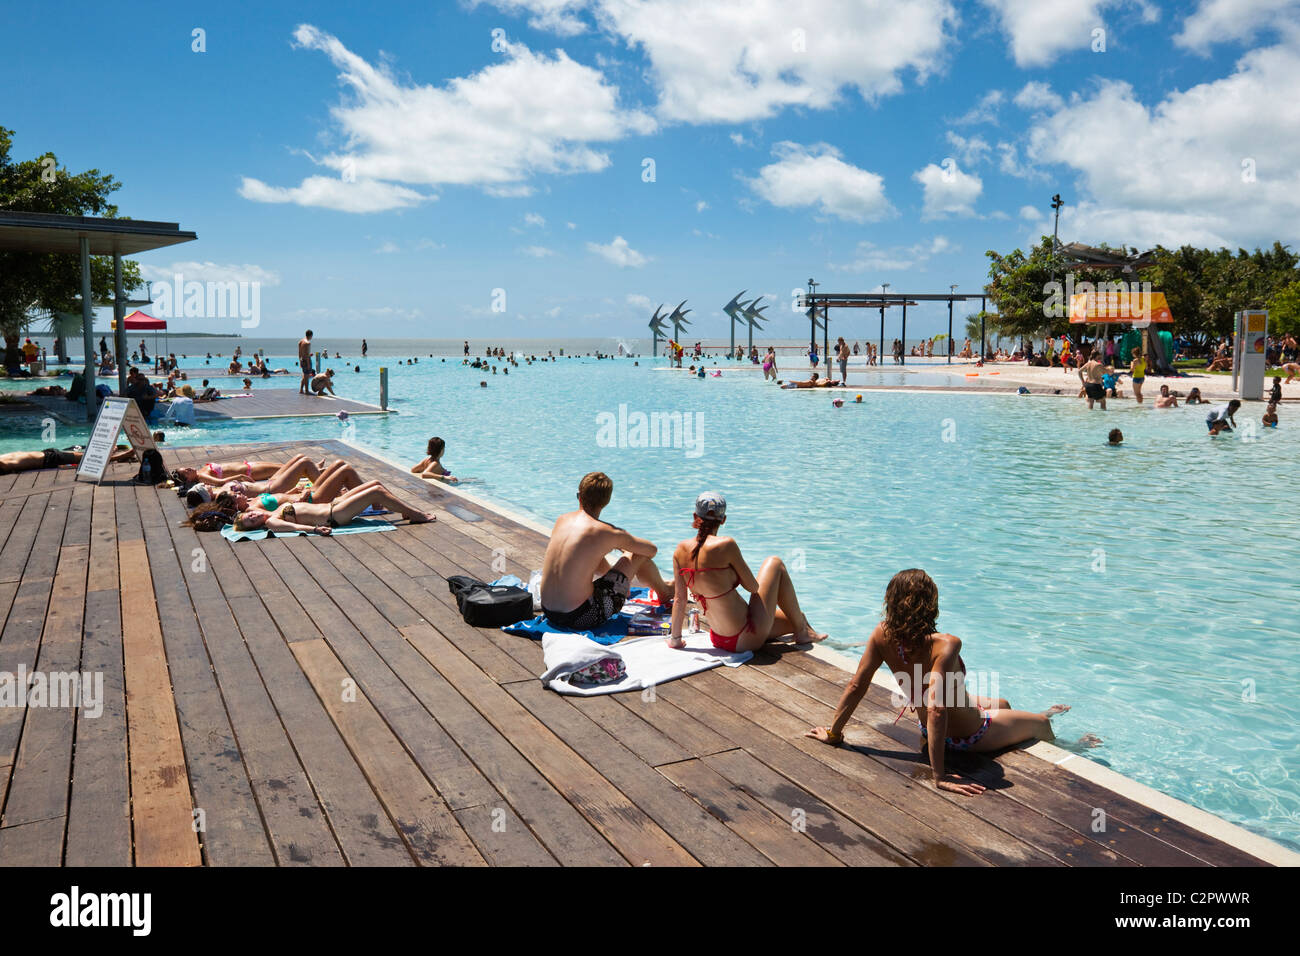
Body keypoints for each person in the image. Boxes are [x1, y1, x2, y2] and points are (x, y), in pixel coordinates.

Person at [803, 569, 1090, 793]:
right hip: (970, 737)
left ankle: (1028, 718)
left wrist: (834, 733)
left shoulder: (882, 634)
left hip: (929, 731)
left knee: (1001, 702)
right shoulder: (946, 644)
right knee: (1041, 724)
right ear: (931, 605)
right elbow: (938, 708)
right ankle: (1068, 745)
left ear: (890, 601)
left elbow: (857, 686)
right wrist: (938, 776)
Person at [668, 491, 825, 652]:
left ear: (695, 516)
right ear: (723, 520)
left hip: (718, 638)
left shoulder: (679, 550)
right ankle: (802, 633)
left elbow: (679, 599)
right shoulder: (726, 544)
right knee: (774, 563)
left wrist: (675, 640)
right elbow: (753, 587)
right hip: (746, 636)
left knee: (798, 617)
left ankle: (802, 628)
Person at [539, 472, 672, 630]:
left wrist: (613, 545)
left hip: (549, 612)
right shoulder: (607, 532)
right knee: (635, 554)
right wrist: (621, 543)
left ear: (579, 496)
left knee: (592, 552)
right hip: (580, 617)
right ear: (606, 502)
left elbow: (590, 550)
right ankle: (664, 592)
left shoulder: (562, 519)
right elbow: (651, 550)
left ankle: (628, 588)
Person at [231, 482, 435, 534]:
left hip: (333, 505)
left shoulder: (270, 514)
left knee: (375, 484)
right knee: (377, 493)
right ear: (255, 527)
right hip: (335, 515)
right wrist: (315, 530)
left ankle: (409, 512)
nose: (255, 515)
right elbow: (294, 529)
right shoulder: (272, 523)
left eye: (250, 515)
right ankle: (415, 514)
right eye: (252, 520)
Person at [299, 330, 314, 395]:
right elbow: (307, 355)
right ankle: (306, 390)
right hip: (306, 361)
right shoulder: (308, 343)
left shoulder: (300, 342)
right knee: (307, 376)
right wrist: (308, 364)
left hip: (302, 360)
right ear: (311, 335)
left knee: (304, 376)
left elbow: (300, 353)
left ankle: (301, 389)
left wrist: (300, 361)